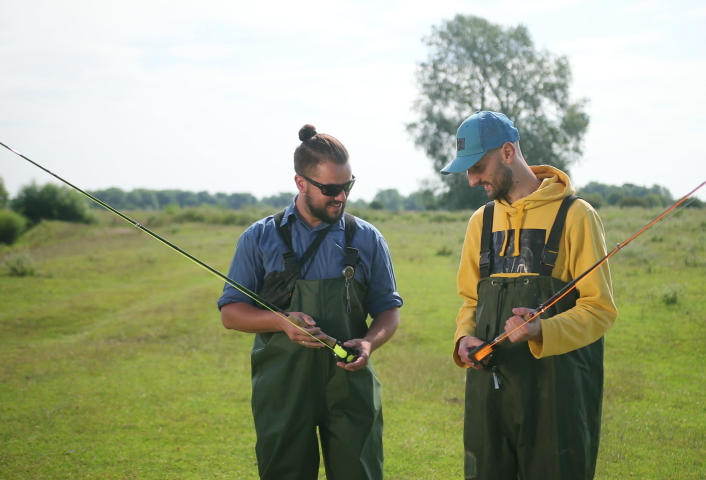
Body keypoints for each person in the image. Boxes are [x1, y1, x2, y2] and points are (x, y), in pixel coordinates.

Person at [218, 124, 402, 480]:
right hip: (283, 386)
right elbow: (231, 313)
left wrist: (368, 341)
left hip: (351, 385)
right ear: (301, 183)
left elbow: (388, 311)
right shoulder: (258, 238)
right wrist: (281, 322)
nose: (341, 198)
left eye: (347, 186)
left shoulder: (368, 238)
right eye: (331, 189)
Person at [441, 111, 618, 480]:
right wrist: (463, 338)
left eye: (478, 166)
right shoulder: (481, 221)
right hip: (488, 395)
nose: (472, 179)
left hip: (557, 398)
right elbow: (470, 302)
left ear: (507, 152)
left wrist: (542, 331)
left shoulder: (577, 216)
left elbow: (599, 309)